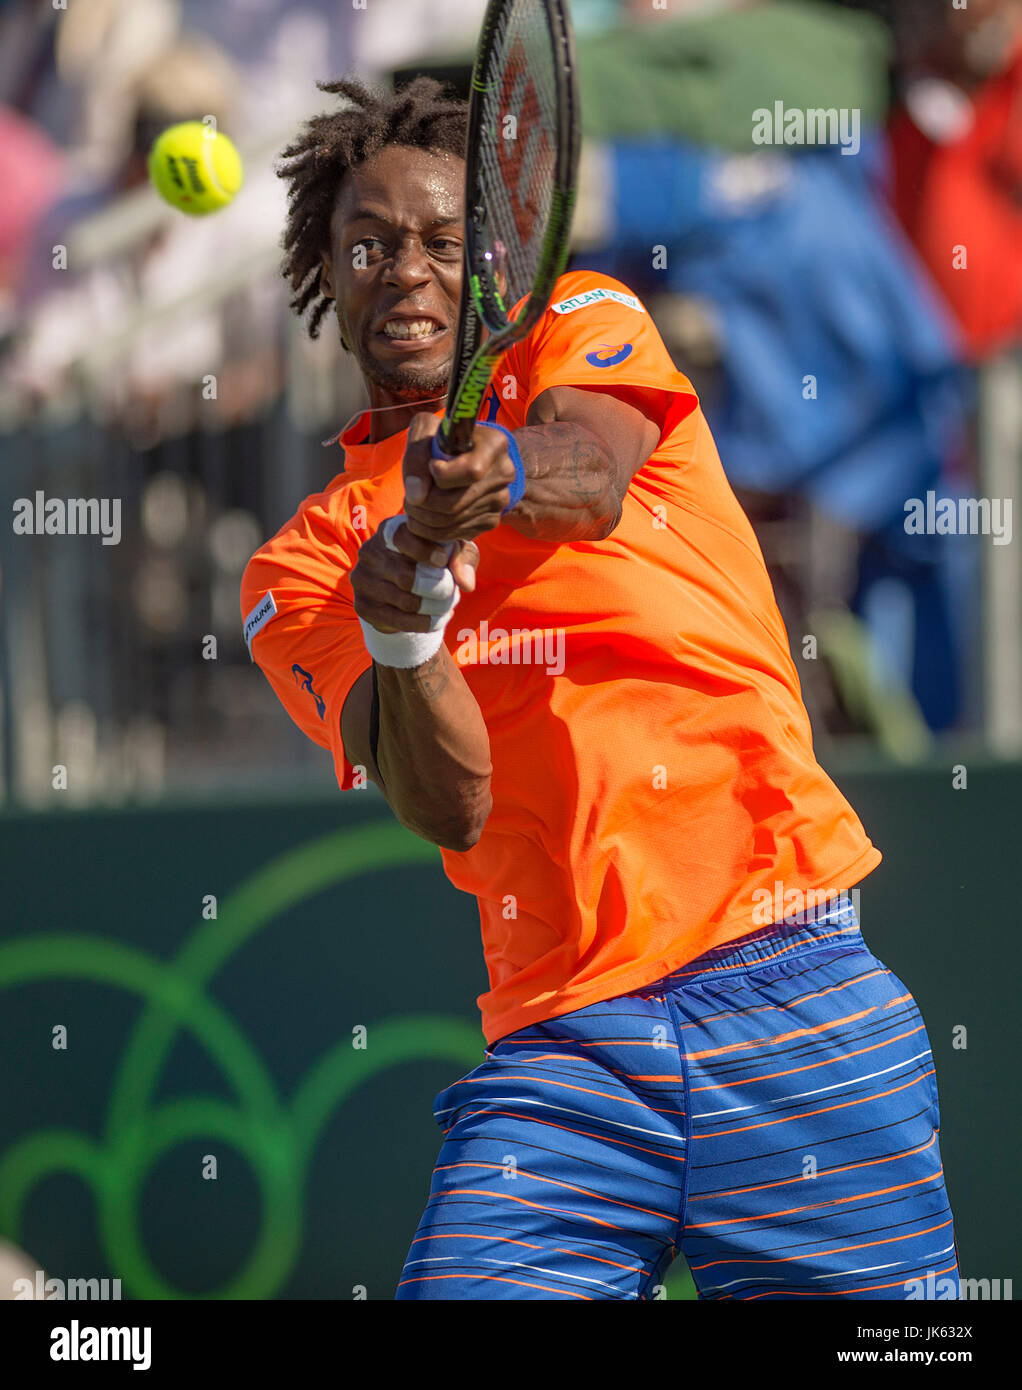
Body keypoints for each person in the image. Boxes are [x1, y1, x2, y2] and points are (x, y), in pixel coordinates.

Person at [241, 77, 959, 1301]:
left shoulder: (581, 312)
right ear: (330, 274)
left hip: (790, 984)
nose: (403, 269)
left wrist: (495, 469)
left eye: (439, 239)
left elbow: (588, 474)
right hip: (565, 1051)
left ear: (502, 252)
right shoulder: (304, 564)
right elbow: (447, 805)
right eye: (367, 244)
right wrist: (404, 623)